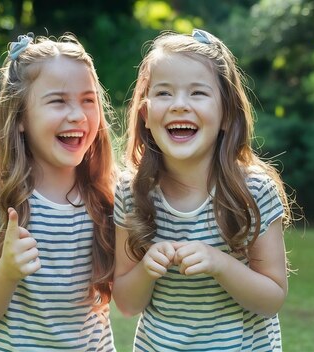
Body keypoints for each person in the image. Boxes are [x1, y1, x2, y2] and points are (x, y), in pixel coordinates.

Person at [112, 29, 293, 351]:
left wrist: (221, 264)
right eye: (165, 93)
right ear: (145, 114)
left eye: (197, 93)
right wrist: (146, 269)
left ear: (226, 114)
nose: (180, 105)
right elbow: (126, 304)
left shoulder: (254, 190)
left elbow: (272, 298)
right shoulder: (131, 192)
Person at [0, 32, 117, 351]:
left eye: (88, 100)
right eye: (58, 101)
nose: (77, 114)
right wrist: (6, 271)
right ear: (20, 117)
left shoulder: (108, 192)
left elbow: (128, 296)